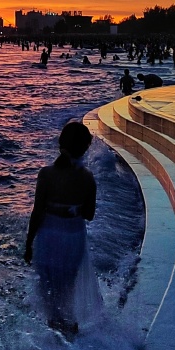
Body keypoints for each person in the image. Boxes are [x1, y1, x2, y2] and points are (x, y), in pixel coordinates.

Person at [24, 121, 101, 335]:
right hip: (73, 237)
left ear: (61, 143)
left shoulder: (46, 174)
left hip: (48, 235)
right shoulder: (87, 178)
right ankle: (70, 327)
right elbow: (90, 215)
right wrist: (74, 208)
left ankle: (54, 328)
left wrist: (28, 244)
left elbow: (37, 212)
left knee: (48, 288)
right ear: (84, 148)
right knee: (67, 286)